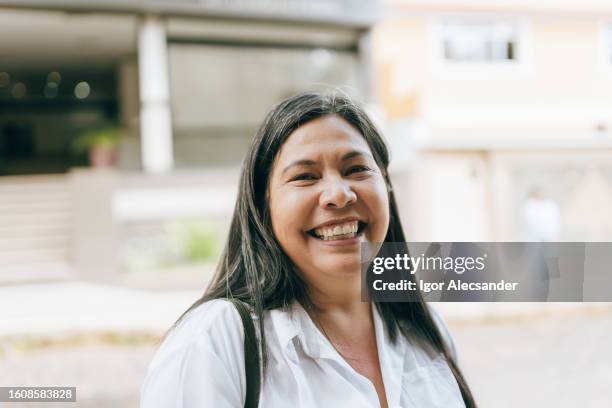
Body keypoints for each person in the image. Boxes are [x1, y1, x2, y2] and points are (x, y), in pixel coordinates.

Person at [140, 92, 477, 407]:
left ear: (386, 185)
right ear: (263, 206)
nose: (339, 194)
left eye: (356, 169)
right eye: (305, 176)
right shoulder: (212, 341)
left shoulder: (423, 327)